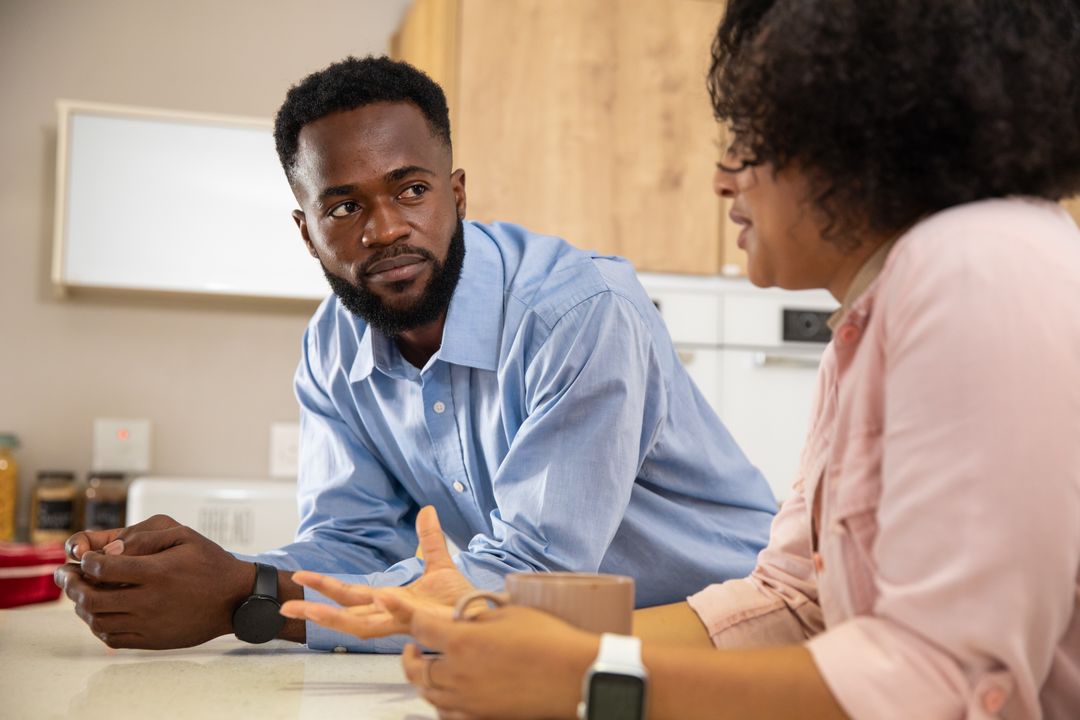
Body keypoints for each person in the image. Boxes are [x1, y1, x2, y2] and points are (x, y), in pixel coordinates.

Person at [282, 1, 1080, 717]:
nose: (721, 178)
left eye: (756, 141)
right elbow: (795, 604)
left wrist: (586, 681)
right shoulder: (875, 317)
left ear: (863, 140)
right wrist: (513, 638)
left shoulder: (980, 263)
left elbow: (942, 685)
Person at [54, 56, 777, 652]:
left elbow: (538, 574)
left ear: (455, 195)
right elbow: (353, 541)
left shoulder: (580, 313)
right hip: (555, 647)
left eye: (412, 190)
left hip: (729, 632)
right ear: (308, 234)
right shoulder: (332, 348)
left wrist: (252, 597)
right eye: (344, 208)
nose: (385, 229)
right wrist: (208, 578)